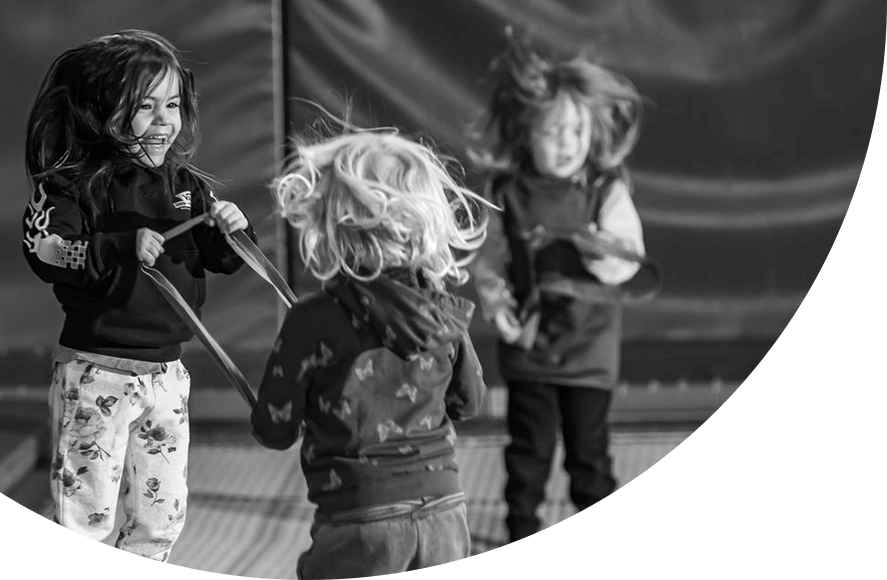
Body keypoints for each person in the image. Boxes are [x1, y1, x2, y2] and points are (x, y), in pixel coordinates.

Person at [21, 29, 254, 560]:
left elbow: (222, 258)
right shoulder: (71, 185)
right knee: (84, 515)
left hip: (167, 376)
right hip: (95, 373)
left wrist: (232, 232)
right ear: (101, 112)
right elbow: (45, 252)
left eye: (172, 104)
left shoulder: (186, 184)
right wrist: (116, 247)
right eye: (145, 107)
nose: (164, 120)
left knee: (161, 518)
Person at [251, 128, 493, 578]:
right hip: (445, 509)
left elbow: (274, 428)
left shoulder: (311, 320)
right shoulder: (443, 313)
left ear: (329, 224)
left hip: (358, 516)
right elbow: (470, 402)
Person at [468, 27, 647, 543]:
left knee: (589, 455)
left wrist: (604, 252)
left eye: (576, 130)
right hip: (531, 347)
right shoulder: (508, 191)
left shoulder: (605, 189)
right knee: (529, 452)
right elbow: (490, 262)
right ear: (526, 132)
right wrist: (498, 306)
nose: (567, 143)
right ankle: (521, 527)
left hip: (590, 348)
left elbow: (629, 255)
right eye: (552, 132)